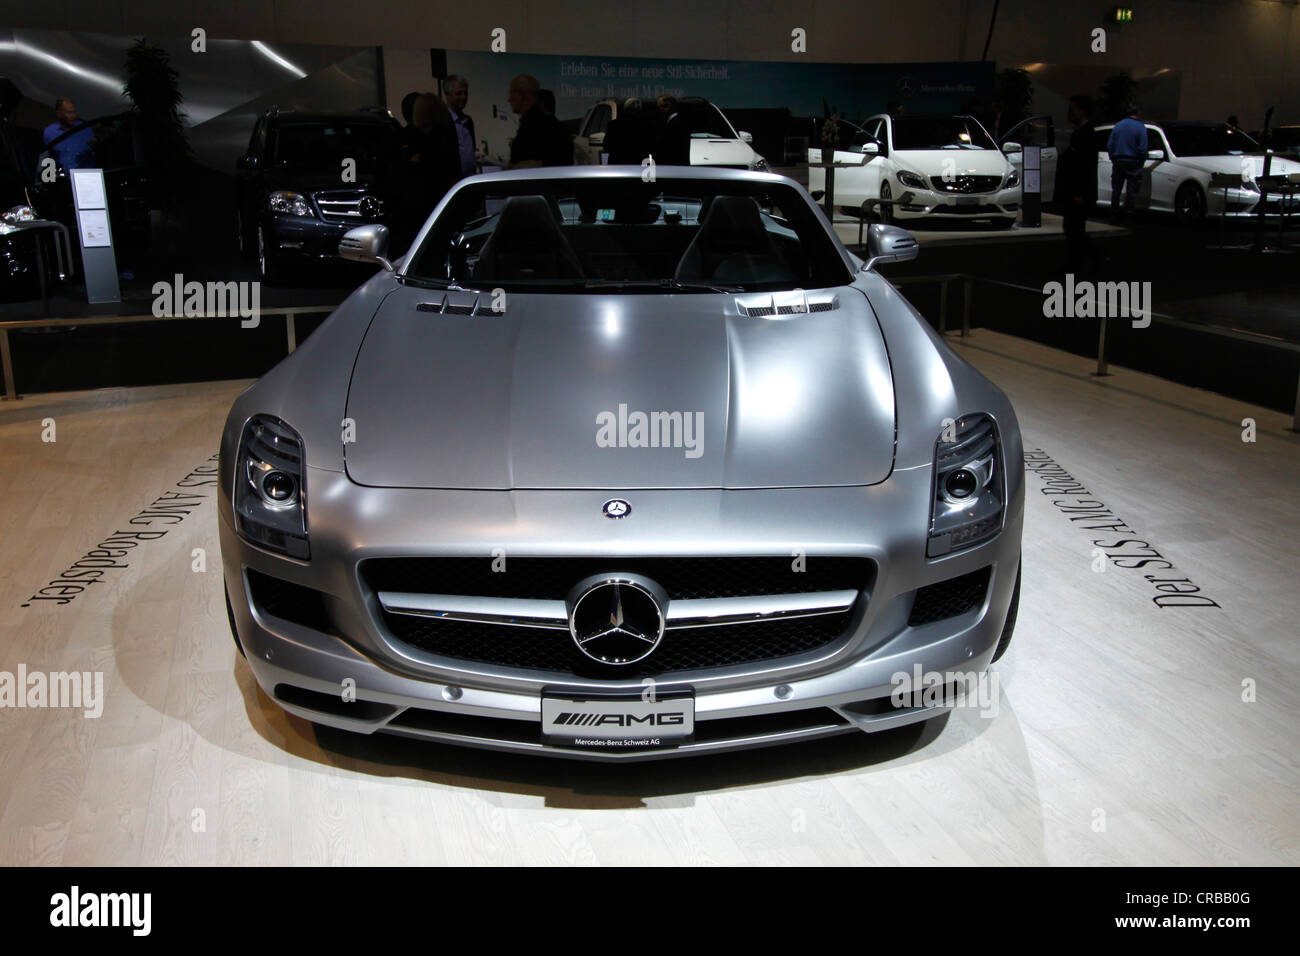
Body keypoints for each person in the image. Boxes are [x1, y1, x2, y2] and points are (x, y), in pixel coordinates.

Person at [1060, 94, 1099, 274]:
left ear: (1082, 111)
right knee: (1073, 228)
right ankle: (1077, 262)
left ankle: (1082, 261)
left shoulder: (1086, 134)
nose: (1070, 114)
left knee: (1074, 228)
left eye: (1073, 110)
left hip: (1078, 192)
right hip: (1076, 191)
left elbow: (1084, 167)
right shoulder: (1083, 133)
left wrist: (1078, 193)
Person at [506, 74, 571, 168]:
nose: (509, 99)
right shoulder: (555, 126)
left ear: (523, 95)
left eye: (512, 93)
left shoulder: (531, 128)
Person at [1106, 103, 1148, 224]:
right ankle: (1128, 216)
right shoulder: (1140, 127)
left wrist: (1113, 157)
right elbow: (1143, 148)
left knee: (1116, 190)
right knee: (1131, 191)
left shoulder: (1118, 125)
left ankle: (1114, 215)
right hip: (1133, 162)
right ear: (1138, 112)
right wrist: (1141, 161)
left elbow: (1110, 145)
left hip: (1118, 160)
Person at [42, 97, 94, 168]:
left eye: (74, 112)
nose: (74, 116)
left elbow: (93, 154)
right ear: (59, 114)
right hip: (63, 175)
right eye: (69, 113)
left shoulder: (85, 129)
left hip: (84, 174)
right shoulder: (49, 132)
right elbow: (47, 157)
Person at [443, 74, 477, 180]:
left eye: (465, 93)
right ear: (447, 95)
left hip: (469, 180)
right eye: (459, 93)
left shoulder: (468, 121)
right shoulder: (442, 121)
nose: (463, 97)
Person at [604, 97, 655, 165]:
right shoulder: (648, 125)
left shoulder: (614, 125)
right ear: (639, 109)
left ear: (625, 108)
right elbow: (652, 147)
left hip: (618, 165)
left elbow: (607, 146)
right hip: (640, 165)